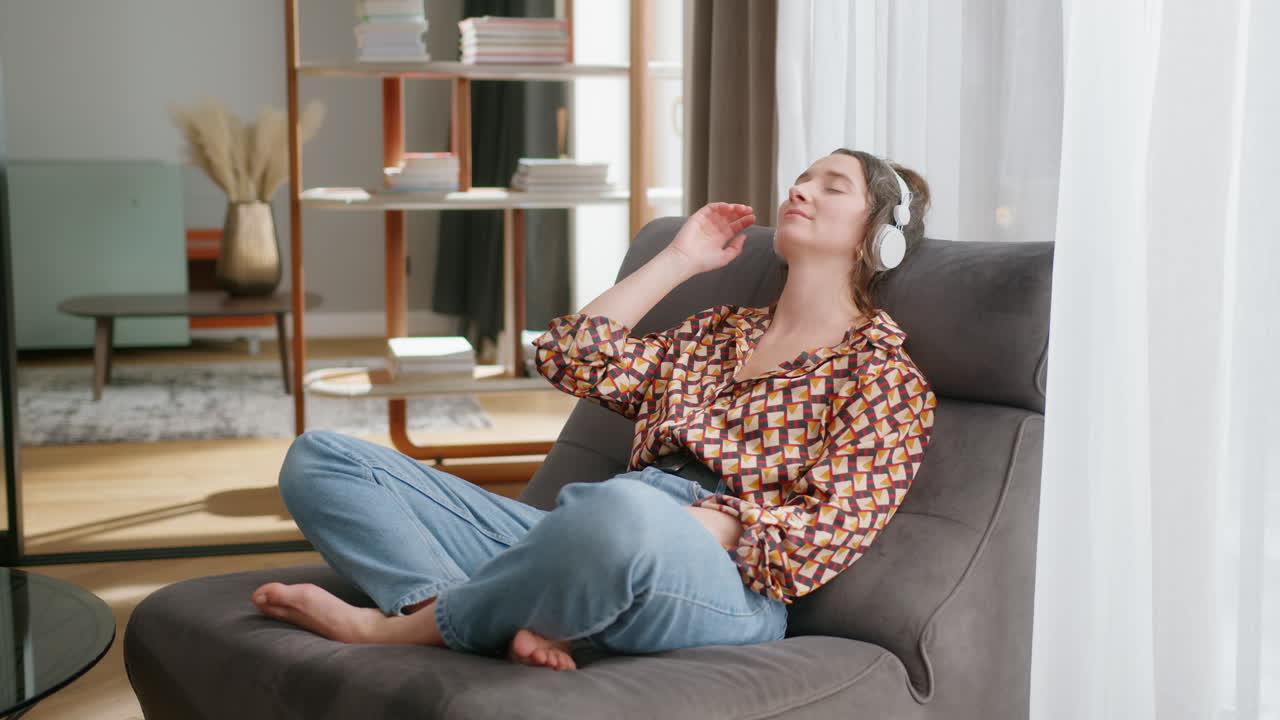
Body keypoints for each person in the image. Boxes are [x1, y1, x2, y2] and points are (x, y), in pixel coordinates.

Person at [251, 148, 938, 672]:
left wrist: (677, 520)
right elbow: (568, 355)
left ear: (877, 236)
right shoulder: (716, 332)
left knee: (618, 513)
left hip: (723, 580)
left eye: (832, 186)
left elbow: (826, 534)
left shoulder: (885, 378)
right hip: (588, 536)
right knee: (322, 459)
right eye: (803, 177)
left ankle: (393, 630)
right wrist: (678, 259)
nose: (800, 189)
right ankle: (476, 609)